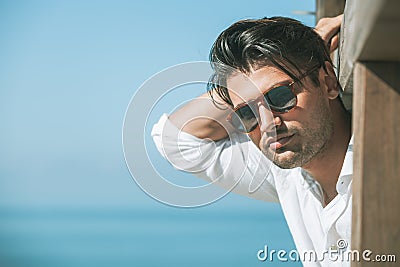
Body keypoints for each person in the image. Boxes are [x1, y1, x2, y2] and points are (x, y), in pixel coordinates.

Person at [152, 15, 352, 266]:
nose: (267, 123)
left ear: (328, 82)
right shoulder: (287, 174)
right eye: (247, 112)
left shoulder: (384, 172)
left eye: (280, 96)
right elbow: (177, 140)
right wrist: (237, 88)